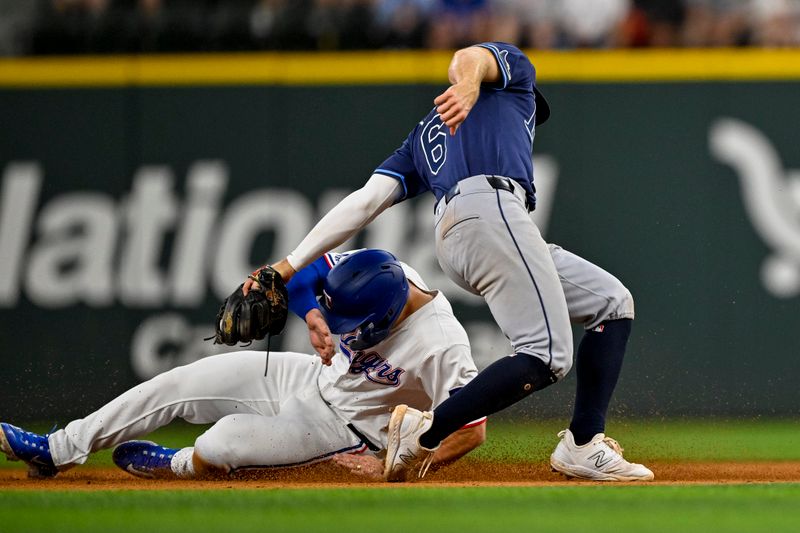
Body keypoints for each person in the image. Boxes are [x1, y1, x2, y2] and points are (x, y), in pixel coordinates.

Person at [244, 42, 653, 482]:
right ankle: (426, 432)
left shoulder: (422, 137)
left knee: (612, 301)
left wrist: (285, 267)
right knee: (547, 354)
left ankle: (584, 442)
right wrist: (470, 82)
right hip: (490, 210)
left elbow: (365, 203)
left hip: (467, 229)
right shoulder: (513, 83)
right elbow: (468, 55)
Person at [0, 249, 485, 481]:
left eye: (353, 324)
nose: (345, 330)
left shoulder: (441, 343)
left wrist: (392, 463)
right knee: (181, 381)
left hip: (348, 429)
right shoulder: (375, 269)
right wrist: (311, 312)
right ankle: (56, 448)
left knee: (220, 441)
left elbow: (473, 429)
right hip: (311, 376)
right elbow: (306, 266)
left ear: (389, 311)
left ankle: (176, 465)